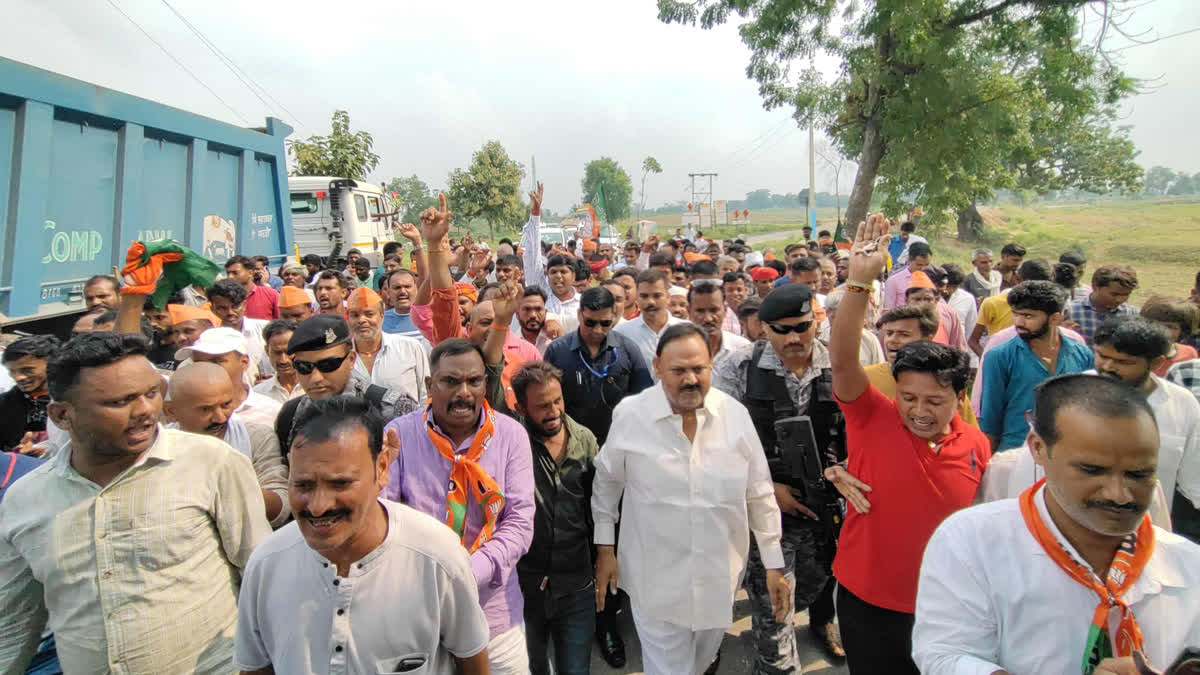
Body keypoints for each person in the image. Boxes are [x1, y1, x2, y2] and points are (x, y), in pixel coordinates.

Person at [0, 332, 270, 673]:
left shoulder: (211, 463)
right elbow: (13, 622)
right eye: (119, 402)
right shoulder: (25, 500)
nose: (145, 411)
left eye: (151, 393)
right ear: (61, 416)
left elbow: (261, 578)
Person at [912, 374, 1200, 674]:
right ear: (1038, 448)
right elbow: (945, 655)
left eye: (1139, 474)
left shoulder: (1189, 566)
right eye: (1092, 471)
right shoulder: (971, 542)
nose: (1119, 494)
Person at [827, 215, 990, 673]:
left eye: (934, 401)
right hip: (869, 603)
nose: (919, 410)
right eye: (909, 397)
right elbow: (841, 361)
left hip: (949, 608)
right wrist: (859, 282)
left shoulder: (977, 443)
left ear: (959, 397)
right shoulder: (873, 415)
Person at [234, 396, 491, 675]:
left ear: (381, 468)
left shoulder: (437, 558)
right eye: (303, 485)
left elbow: (472, 663)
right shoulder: (267, 564)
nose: (319, 506)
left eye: (340, 483)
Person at [592, 324, 788, 675]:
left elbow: (759, 491)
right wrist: (605, 548)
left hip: (719, 580)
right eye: (678, 371)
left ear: (711, 364)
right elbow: (607, 483)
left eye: (698, 369)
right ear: (656, 368)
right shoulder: (631, 416)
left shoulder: (734, 416)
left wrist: (774, 563)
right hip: (655, 584)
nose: (690, 380)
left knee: (699, 665)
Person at [711, 283, 848, 669]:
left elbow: (864, 435)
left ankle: (816, 628)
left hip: (825, 510)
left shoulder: (841, 365)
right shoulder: (739, 369)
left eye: (802, 326)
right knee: (774, 614)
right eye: (782, 329)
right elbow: (712, 446)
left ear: (816, 322)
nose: (795, 337)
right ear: (763, 329)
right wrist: (768, 489)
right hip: (764, 512)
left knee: (813, 589)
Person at [382, 339, 535, 675]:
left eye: (474, 381)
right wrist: (434, 574)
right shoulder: (399, 435)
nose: (464, 392)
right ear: (429, 385)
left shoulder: (511, 436)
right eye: (450, 382)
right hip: (419, 610)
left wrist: (467, 571)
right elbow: (385, 516)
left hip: (494, 613)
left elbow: (520, 523)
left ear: (486, 383)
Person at [542, 286, 652, 667]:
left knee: (613, 546)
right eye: (591, 323)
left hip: (618, 467)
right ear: (580, 315)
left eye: (607, 323)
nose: (599, 330)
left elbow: (645, 405)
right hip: (571, 465)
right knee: (578, 543)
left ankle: (608, 624)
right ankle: (576, 620)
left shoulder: (628, 351)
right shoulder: (557, 352)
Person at [511, 362, 600, 675]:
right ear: (520, 407)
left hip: (576, 581)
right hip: (524, 584)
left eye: (557, 401)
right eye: (542, 406)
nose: (552, 411)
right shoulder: (511, 442)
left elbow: (600, 509)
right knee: (530, 667)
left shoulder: (586, 441)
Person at [165, 362, 289, 527]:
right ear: (172, 412)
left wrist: (232, 488)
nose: (220, 418)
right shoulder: (158, 448)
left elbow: (281, 505)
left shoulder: (256, 437)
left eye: (225, 405)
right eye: (205, 410)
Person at [274, 314, 419, 450]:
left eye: (328, 365)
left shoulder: (393, 409)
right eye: (304, 367)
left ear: (351, 359)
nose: (316, 378)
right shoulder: (291, 415)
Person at [979, 281, 1093, 452]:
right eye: (1015, 314)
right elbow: (990, 420)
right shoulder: (1000, 356)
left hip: (1068, 453)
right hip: (1015, 453)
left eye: (1028, 316)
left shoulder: (1081, 354)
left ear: (1055, 318)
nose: (1019, 322)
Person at [864, 305, 979, 425]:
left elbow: (968, 433)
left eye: (903, 334)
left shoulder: (946, 381)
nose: (892, 340)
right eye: (889, 333)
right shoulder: (865, 378)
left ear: (927, 340)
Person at [174, 327, 281, 430]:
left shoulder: (271, 411)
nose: (206, 369)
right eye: (199, 363)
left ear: (244, 362)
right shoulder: (184, 415)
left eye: (216, 361)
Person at [346, 286, 428, 402]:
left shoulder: (410, 348)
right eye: (355, 315)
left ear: (382, 316)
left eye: (369, 314)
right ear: (348, 319)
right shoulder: (340, 357)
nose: (361, 320)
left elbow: (425, 396)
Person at [968, 258, 1052, 357]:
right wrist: (990, 360)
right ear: (1017, 278)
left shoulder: (1051, 305)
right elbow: (973, 341)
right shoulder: (993, 303)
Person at [613, 269, 685, 375]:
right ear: (637, 298)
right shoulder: (621, 333)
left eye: (657, 296)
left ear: (668, 298)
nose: (650, 302)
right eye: (644, 296)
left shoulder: (687, 331)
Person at [1, 335, 58, 455]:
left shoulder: (72, 399)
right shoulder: (4, 404)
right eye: (12, 371)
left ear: (51, 365)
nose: (18, 377)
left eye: (27, 370)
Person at [207, 278, 271, 377]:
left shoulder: (265, 329)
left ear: (244, 305)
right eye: (222, 308)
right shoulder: (209, 339)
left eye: (235, 306)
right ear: (212, 309)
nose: (230, 313)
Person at [1065, 264, 1139, 346]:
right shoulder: (1071, 312)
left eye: (1126, 295)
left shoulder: (1133, 315)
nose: (1120, 300)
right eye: (1114, 294)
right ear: (1095, 287)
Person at [689, 281, 750, 372]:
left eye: (714, 310)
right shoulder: (676, 350)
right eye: (700, 311)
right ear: (689, 311)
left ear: (725, 310)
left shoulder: (743, 349)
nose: (708, 319)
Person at [1140, 297, 1200, 376]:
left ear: (1182, 330)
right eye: (1155, 324)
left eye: (1170, 327)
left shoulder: (1189, 353)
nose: (1161, 330)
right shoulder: (1133, 354)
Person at [253, 319, 304, 404]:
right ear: (267, 351)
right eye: (277, 353)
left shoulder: (317, 387)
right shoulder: (258, 394)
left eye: (289, 352)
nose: (283, 360)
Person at [225, 255, 279, 320]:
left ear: (250, 273)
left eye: (235, 273)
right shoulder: (225, 298)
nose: (230, 277)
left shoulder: (271, 294)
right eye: (228, 273)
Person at [383, 268, 423, 337]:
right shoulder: (380, 321)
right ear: (389, 292)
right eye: (397, 288)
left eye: (407, 286)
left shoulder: (430, 318)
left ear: (416, 289)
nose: (402, 292)